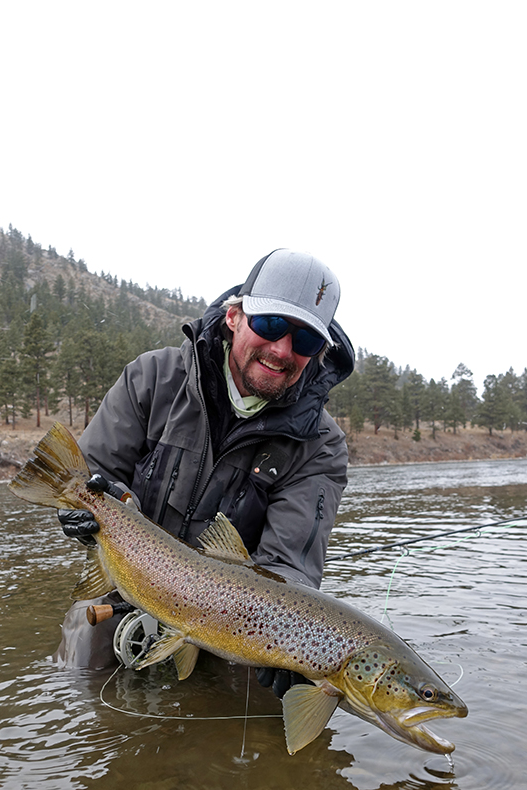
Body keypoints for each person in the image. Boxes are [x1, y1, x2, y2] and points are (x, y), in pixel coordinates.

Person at [56, 248, 355, 687]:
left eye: (305, 340)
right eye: (270, 324)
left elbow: (289, 566)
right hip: (123, 586)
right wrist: (91, 510)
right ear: (234, 316)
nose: (281, 349)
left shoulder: (321, 447)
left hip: (233, 616)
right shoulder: (153, 379)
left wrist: (291, 644)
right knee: (78, 688)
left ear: (319, 353)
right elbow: (82, 478)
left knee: (263, 713)